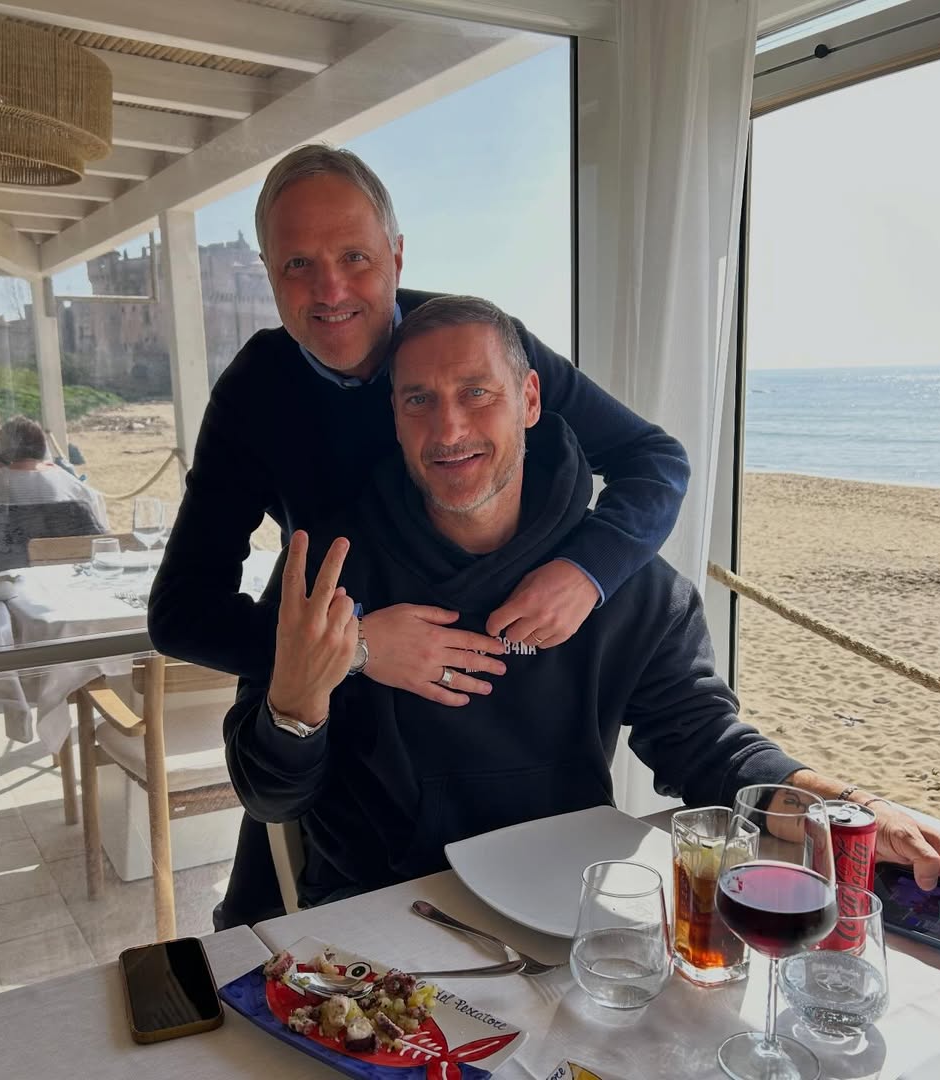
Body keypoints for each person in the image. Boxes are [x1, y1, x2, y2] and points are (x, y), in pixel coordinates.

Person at [224, 296, 940, 908]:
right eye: (418, 399)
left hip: (567, 902)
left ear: (529, 399)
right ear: (394, 417)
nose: (448, 428)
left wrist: (848, 811)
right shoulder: (329, 570)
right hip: (384, 908)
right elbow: (269, 794)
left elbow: (708, 748)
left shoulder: (628, 584)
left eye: (476, 392)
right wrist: (309, 687)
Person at [148, 145, 692, 927]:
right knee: (285, 880)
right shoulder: (257, 393)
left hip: (508, 688)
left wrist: (588, 570)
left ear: (397, 256)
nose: (331, 289)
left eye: (355, 257)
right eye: (298, 264)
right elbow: (180, 612)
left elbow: (653, 459)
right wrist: (357, 647)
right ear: (268, 273)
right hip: (354, 686)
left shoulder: (468, 341)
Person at [0, 415, 108, 530]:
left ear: (3, 447)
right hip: (61, 557)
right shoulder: (60, 475)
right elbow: (93, 503)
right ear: (42, 445)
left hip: (9, 558)